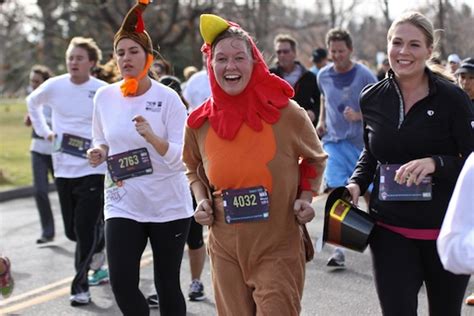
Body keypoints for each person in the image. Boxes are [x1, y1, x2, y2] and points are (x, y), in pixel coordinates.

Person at [183, 14, 327, 315]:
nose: (230, 66)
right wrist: (201, 202)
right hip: (225, 249)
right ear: (210, 65)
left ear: (255, 63)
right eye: (221, 59)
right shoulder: (198, 123)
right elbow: (193, 169)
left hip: (277, 245)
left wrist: (304, 197)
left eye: (239, 57)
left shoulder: (286, 113)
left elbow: (314, 157)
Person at [346, 11, 474, 315]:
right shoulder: (372, 97)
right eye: (397, 43)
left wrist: (436, 163)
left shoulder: (453, 99)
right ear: (388, 45)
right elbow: (371, 153)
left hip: (444, 232)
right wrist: (356, 182)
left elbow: (472, 163)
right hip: (389, 230)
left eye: (414, 45)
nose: (404, 52)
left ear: (430, 50)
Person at [87, 1, 193, 315]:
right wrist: (99, 151)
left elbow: (180, 159)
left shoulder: (167, 98)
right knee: (121, 281)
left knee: (166, 284)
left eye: (133, 51)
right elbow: (101, 137)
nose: (125, 58)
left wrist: (152, 138)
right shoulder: (104, 96)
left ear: (147, 57)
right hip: (123, 200)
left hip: (168, 204)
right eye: (120, 52)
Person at [27, 36, 107, 306]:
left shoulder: (101, 90)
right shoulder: (54, 86)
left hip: (93, 169)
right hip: (63, 169)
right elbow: (32, 103)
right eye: (70, 57)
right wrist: (45, 132)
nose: (73, 62)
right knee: (74, 232)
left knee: (83, 230)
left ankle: (80, 286)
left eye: (79, 58)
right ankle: (100, 238)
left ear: (92, 63)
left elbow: (113, 121)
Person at [316, 28, 377, 267]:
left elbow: (379, 106)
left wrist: (360, 115)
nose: (337, 55)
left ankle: (377, 243)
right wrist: (322, 120)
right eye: (333, 51)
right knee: (337, 192)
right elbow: (324, 98)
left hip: (361, 145)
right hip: (334, 143)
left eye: (341, 51)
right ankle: (338, 249)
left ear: (350, 50)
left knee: (369, 194)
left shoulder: (364, 75)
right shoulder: (323, 75)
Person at [146, 75, 207, 309]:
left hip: (190, 184)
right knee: (162, 246)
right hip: (164, 190)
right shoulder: (151, 118)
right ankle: (164, 290)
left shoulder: (191, 119)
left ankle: (195, 282)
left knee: (194, 238)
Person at [438, 57, 474, 307]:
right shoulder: (455, 105)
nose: (466, 83)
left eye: (471, 78)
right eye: (462, 77)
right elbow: (451, 249)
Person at [23, 65, 56, 244]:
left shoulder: (54, 99)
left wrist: (43, 123)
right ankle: (47, 231)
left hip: (56, 151)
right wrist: (30, 120)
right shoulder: (32, 100)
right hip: (37, 149)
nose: (33, 85)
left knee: (66, 190)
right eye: (31, 82)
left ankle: (76, 227)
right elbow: (30, 122)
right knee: (40, 191)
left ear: (45, 82)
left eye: (37, 82)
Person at [270, 34, 321, 125]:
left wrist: (314, 113)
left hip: (304, 126)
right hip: (278, 126)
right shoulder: (270, 76)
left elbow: (319, 101)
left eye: (286, 51)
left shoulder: (309, 77)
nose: (282, 55)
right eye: (279, 52)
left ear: (294, 53)